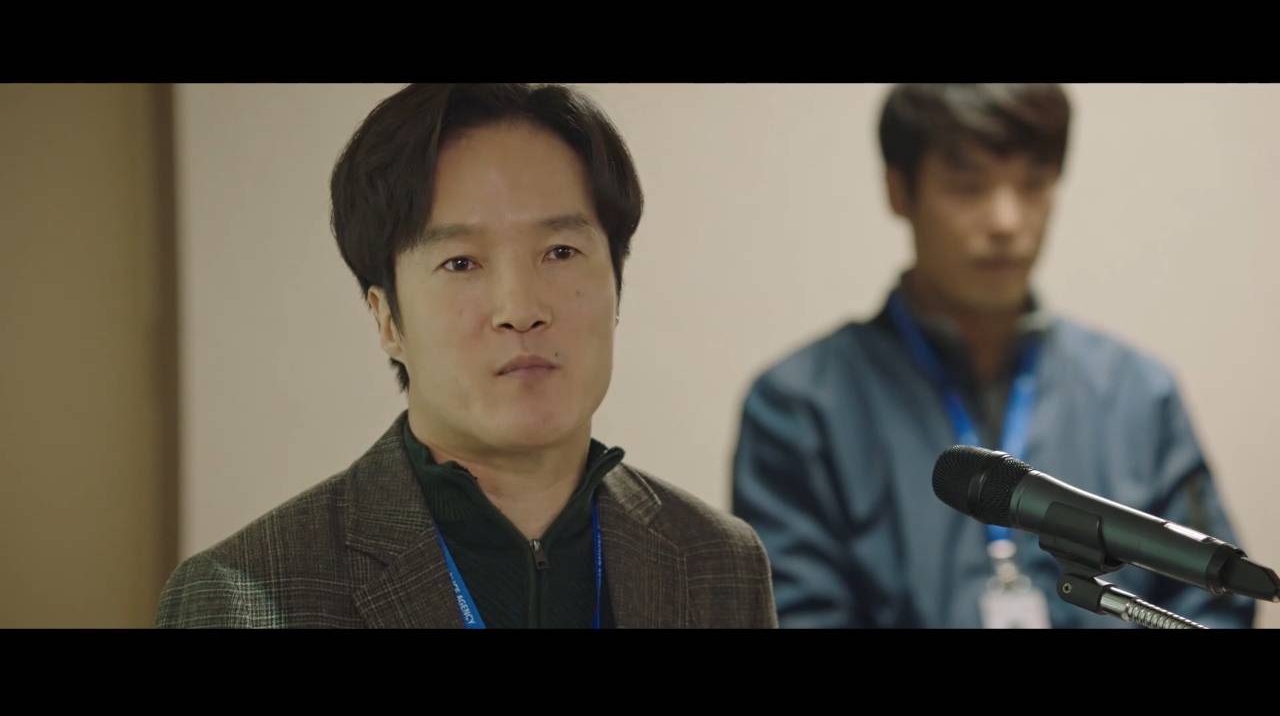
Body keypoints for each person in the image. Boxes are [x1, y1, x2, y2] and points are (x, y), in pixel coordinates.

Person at [158, 83, 777, 628]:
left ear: (617, 285)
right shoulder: (246, 595)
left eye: (560, 252)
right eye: (461, 263)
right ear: (387, 319)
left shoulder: (717, 562)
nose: (521, 308)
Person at [732, 83, 1253, 628]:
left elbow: (1216, 602)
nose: (1006, 221)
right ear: (899, 191)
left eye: (1033, 184)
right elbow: (793, 615)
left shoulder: (1138, 394)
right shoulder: (800, 407)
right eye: (968, 186)